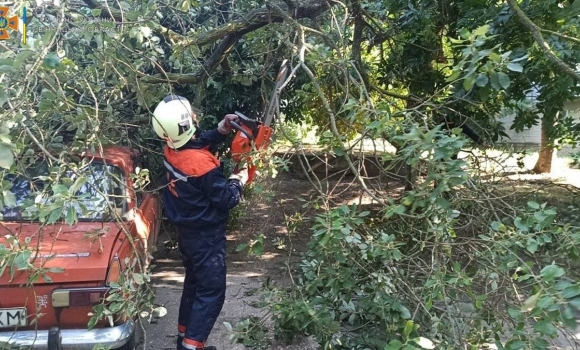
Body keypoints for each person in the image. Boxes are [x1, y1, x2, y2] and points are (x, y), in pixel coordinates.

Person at [152, 94, 248, 350]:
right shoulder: (201, 165)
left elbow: (196, 144)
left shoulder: (171, 148)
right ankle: (191, 347)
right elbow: (227, 198)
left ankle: (184, 339)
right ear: (185, 123)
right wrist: (240, 178)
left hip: (187, 233)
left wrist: (220, 130)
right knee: (212, 292)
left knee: (195, 285)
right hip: (206, 238)